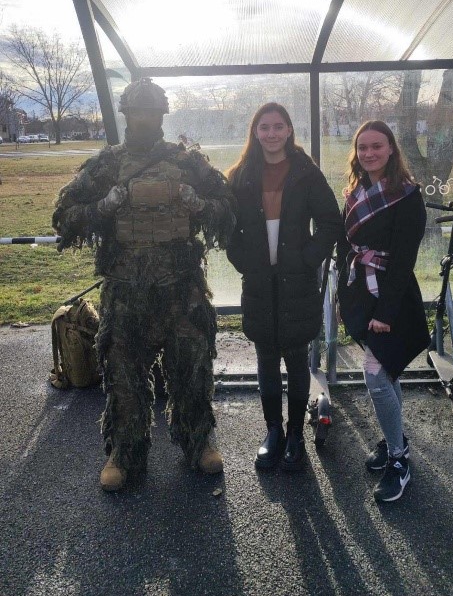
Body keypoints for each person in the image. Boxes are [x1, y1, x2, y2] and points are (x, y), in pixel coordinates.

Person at [52, 78, 236, 491]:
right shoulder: (106, 165)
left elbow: (227, 208)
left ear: (162, 115)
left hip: (182, 289)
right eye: (138, 111)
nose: (145, 118)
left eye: (152, 112)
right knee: (123, 376)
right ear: (126, 115)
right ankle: (123, 453)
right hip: (125, 292)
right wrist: (104, 206)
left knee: (192, 369)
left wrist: (197, 203)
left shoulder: (187, 162)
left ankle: (199, 441)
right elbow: (65, 216)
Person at [226, 102, 341, 471]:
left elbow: (330, 221)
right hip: (258, 281)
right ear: (255, 132)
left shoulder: (306, 173)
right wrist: (243, 260)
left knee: (295, 356)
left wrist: (308, 259)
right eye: (265, 127)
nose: (272, 133)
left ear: (289, 130)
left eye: (278, 126)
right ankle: (273, 431)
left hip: (297, 280)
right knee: (265, 357)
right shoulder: (241, 175)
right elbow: (227, 227)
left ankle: (295, 435)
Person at [336, 120, 430, 502]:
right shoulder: (354, 191)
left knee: (375, 376)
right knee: (386, 370)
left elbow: (405, 261)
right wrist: (343, 299)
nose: (369, 153)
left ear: (391, 148)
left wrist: (386, 314)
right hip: (361, 293)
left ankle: (398, 459)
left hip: (393, 297)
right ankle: (395, 440)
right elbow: (344, 248)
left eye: (377, 146)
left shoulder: (408, 196)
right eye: (363, 147)